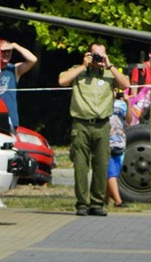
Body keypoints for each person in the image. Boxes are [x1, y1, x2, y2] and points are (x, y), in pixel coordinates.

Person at [58, 42, 130, 217]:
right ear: (88, 54)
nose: (98, 58)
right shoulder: (78, 70)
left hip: (102, 125)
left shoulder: (109, 73)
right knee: (81, 165)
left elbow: (125, 84)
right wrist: (83, 65)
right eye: (95, 54)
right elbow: (62, 81)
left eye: (101, 54)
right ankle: (82, 203)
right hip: (81, 124)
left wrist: (110, 65)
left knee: (101, 164)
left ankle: (97, 203)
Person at [0, 40, 38, 209]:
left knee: (7, 157)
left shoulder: (13, 70)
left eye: (9, 52)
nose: (6, 56)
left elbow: (33, 60)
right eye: (3, 52)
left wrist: (15, 46)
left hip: (10, 120)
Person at [105, 89, 132, 208]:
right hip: (107, 140)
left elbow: (129, 120)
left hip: (119, 140)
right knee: (111, 172)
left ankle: (105, 199)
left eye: (117, 90)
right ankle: (118, 201)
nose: (115, 92)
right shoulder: (103, 102)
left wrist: (128, 103)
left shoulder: (122, 104)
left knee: (114, 172)